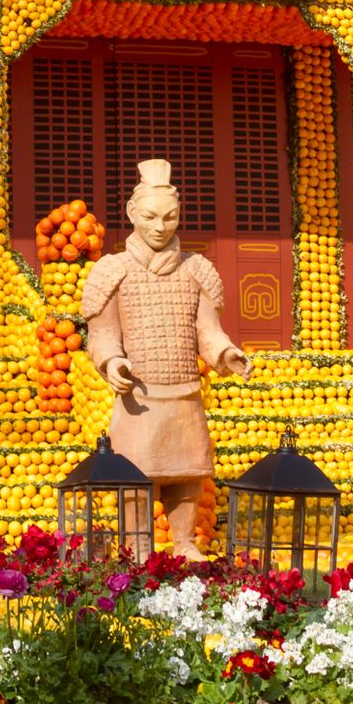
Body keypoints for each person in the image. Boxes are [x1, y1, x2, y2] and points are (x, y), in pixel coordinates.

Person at [81, 159, 252, 550]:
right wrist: (112, 360)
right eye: (151, 217)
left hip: (183, 392)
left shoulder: (197, 269)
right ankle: (139, 546)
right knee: (135, 476)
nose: (160, 227)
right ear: (131, 214)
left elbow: (207, 331)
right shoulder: (112, 271)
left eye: (170, 217)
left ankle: (183, 541)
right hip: (138, 397)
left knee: (187, 475)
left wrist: (225, 354)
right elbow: (102, 334)